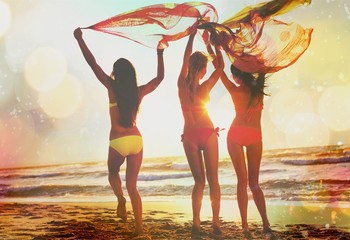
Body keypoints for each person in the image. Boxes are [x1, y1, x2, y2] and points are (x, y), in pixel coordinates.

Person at [73, 27, 165, 236]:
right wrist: (160, 53)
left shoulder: (111, 87)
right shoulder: (139, 91)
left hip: (117, 140)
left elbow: (92, 63)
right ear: (131, 74)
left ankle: (121, 200)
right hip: (136, 139)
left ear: (116, 73)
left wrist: (80, 39)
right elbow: (159, 79)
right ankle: (139, 228)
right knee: (133, 187)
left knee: (113, 172)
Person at [177, 29, 224, 235]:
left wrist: (190, 36)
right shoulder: (205, 86)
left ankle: (196, 223)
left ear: (189, 66)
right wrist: (211, 45)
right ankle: (215, 224)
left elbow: (185, 57)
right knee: (213, 180)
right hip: (207, 132)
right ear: (203, 69)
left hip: (189, 136)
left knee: (199, 182)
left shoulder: (180, 85)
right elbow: (221, 66)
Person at [221, 64, 273, 236]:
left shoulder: (234, 89)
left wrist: (210, 46)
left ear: (237, 76)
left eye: (233, 75)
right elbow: (264, 68)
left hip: (237, 135)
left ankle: (245, 226)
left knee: (242, 182)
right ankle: (265, 225)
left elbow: (218, 68)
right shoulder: (258, 90)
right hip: (252, 136)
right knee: (254, 184)